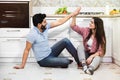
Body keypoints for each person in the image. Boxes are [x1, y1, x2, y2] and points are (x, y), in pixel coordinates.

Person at [14, 8, 82, 69]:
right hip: (43, 60)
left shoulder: (45, 27)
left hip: (50, 52)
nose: (46, 23)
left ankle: (80, 62)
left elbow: (59, 22)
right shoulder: (32, 34)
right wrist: (22, 65)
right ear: (39, 25)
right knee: (66, 62)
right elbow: (26, 50)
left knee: (65, 41)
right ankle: (61, 61)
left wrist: (72, 14)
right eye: (44, 22)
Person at [70, 8, 106, 75]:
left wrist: (91, 57)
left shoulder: (101, 36)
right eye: (90, 22)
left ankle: (90, 69)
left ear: (97, 25)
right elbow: (73, 26)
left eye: (92, 22)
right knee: (81, 46)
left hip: (94, 57)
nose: (90, 23)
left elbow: (101, 51)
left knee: (98, 57)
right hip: (84, 56)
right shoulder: (86, 30)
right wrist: (74, 16)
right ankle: (84, 66)